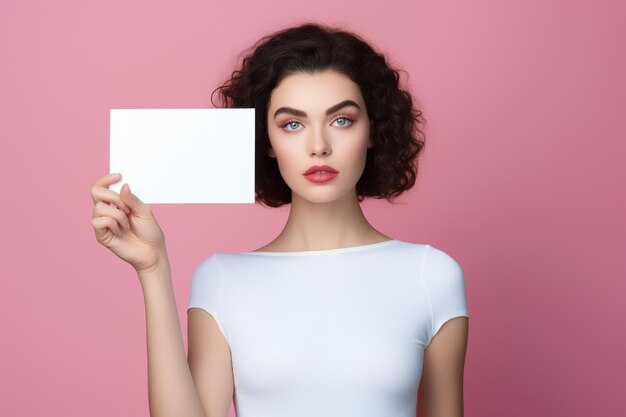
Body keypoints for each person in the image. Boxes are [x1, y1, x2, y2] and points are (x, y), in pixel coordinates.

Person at [90, 22, 469, 417]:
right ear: (266, 141)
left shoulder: (431, 275)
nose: (318, 146)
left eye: (342, 120)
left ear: (373, 129)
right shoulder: (222, 278)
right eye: (292, 124)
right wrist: (153, 268)